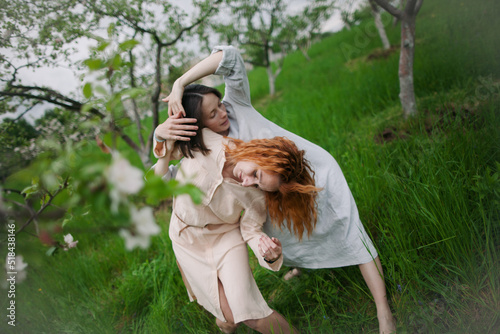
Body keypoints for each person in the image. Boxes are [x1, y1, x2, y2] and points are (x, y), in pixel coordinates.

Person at [155, 45, 396, 334]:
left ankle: (383, 309)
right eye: (211, 114)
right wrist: (160, 137)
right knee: (285, 231)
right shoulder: (203, 148)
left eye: (219, 105)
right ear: (197, 125)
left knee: (347, 228)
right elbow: (164, 178)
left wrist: (181, 82)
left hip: (310, 172)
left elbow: (230, 57)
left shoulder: (237, 107)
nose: (222, 114)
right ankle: (300, 265)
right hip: (267, 191)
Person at [154, 118, 319, 333]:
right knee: (229, 319)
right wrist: (159, 135)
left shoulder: (257, 197)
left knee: (248, 313)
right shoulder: (209, 140)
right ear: (258, 152)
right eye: (256, 174)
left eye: (258, 184)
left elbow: (251, 231)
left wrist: (268, 252)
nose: (248, 183)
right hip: (187, 240)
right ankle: (225, 325)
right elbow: (165, 160)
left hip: (225, 238)